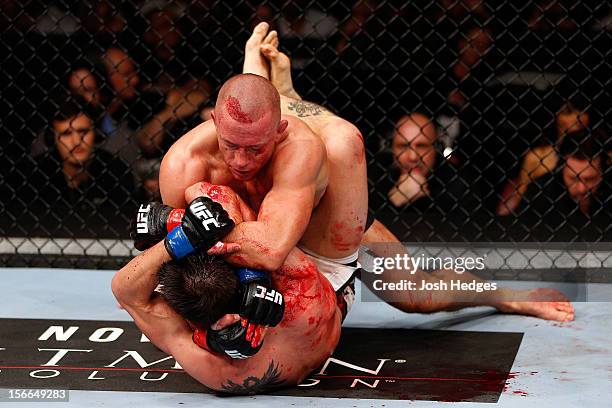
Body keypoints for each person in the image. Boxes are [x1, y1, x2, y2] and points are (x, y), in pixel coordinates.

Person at [154, 22, 574, 326]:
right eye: (231, 146)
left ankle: (503, 295)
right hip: (257, 227)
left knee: (415, 294)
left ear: (278, 133)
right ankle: (276, 90)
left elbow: (269, 248)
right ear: (212, 121)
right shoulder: (182, 164)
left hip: (320, 213)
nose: (242, 162)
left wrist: (209, 229)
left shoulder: (302, 144)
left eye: (256, 148)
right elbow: (175, 254)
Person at [113, 183, 342, 394]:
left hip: (316, 294)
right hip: (334, 290)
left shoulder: (218, 370)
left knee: (195, 183)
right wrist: (255, 275)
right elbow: (208, 197)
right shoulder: (300, 283)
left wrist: (179, 230)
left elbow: (125, 291)